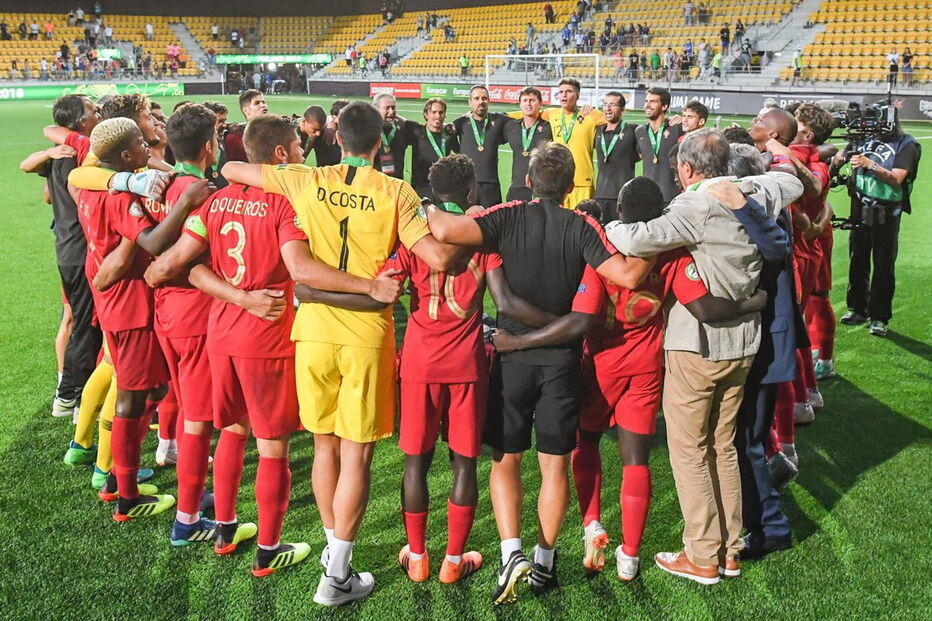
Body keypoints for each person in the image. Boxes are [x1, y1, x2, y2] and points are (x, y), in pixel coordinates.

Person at [221, 102, 458, 606]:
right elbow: (437, 256)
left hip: (311, 331)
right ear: (381, 142)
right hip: (366, 335)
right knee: (358, 453)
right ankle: (337, 575)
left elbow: (230, 168)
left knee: (325, 446)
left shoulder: (304, 178)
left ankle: (335, 559)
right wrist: (452, 218)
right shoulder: (397, 192)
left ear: (338, 136)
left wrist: (281, 171)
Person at [494, 177, 766, 579]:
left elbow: (583, 318)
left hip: (600, 365)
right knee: (636, 459)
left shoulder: (602, 253)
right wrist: (756, 299)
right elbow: (702, 304)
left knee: (584, 443)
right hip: (645, 368)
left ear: (619, 212)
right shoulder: (672, 255)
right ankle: (630, 555)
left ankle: (591, 523)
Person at [425, 142, 655, 605]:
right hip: (564, 362)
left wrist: (427, 203)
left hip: (511, 359)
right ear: (571, 187)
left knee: (506, 459)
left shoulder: (507, 215)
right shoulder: (583, 224)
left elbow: (446, 228)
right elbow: (627, 277)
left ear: (528, 181)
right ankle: (544, 560)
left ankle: (511, 551)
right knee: (554, 466)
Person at [606, 128, 802, 586]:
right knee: (724, 448)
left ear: (688, 169)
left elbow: (635, 240)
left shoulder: (692, 206)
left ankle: (701, 556)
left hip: (698, 344)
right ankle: (730, 551)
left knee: (691, 452)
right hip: (745, 342)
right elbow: (790, 180)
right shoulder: (755, 189)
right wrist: (771, 161)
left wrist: (607, 224)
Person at [322, 155, 493, 585]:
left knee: (415, 464)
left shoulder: (410, 242)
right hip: (467, 364)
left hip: (418, 363)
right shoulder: (485, 237)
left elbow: (382, 291)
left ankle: (417, 557)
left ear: (431, 197)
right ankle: (453, 560)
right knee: (464, 465)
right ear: (471, 193)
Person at [75, 118, 212, 520]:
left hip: (115, 303)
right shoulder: (119, 198)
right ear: (124, 155)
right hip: (130, 306)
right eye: (139, 143)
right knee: (133, 398)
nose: (147, 148)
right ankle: (127, 496)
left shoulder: (90, 184)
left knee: (144, 393)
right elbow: (150, 241)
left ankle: (120, 478)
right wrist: (186, 203)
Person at [24, 95, 101, 419]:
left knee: (77, 322)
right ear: (81, 122)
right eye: (93, 111)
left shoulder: (59, 157)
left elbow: (43, 191)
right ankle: (72, 395)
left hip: (67, 249)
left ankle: (69, 392)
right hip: (81, 251)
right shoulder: (78, 153)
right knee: (86, 327)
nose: (97, 115)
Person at [834, 112, 920, 336]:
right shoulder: (861, 138)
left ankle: (879, 317)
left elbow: (897, 178)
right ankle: (857, 308)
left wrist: (870, 164)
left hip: (887, 212)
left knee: (883, 263)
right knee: (858, 258)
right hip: (859, 207)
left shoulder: (907, 144)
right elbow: (839, 159)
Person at [538, 78, 606, 208]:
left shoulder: (590, 116)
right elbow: (528, 113)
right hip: (558, 180)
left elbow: (612, 120)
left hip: (582, 181)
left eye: (569, 91)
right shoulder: (552, 114)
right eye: (561, 91)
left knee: (581, 221)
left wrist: (593, 110)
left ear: (578, 96)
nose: (564, 95)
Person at [451, 85, 509, 207]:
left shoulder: (499, 120)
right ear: (470, 103)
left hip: (491, 186)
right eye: (476, 98)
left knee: (493, 224)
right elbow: (441, 130)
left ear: (489, 101)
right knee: (467, 223)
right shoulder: (460, 123)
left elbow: (522, 118)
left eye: (484, 98)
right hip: (466, 185)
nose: (481, 102)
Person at [502, 87, 553, 202]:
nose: (528, 104)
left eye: (532, 100)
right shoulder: (511, 126)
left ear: (540, 104)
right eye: (525, 100)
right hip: (516, 186)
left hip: (540, 188)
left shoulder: (549, 127)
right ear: (520, 105)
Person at [404, 97, 460, 200]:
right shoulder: (416, 131)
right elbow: (397, 120)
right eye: (434, 112)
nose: (438, 116)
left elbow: (461, 153)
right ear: (426, 114)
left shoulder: (449, 134)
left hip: (443, 189)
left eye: (441, 112)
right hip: (421, 188)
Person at [635, 87, 684, 205]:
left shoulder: (677, 127)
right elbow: (641, 155)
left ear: (664, 106)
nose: (647, 105)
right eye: (646, 101)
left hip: (672, 197)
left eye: (653, 102)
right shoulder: (640, 131)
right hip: (647, 197)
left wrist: (684, 120)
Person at [593, 91, 637, 222]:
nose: (607, 108)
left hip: (623, 195)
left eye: (612, 104)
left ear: (622, 109)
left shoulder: (633, 130)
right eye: (605, 104)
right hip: (600, 194)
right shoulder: (597, 130)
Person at [224, 89, 267, 164]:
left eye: (263, 102)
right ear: (246, 111)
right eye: (257, 103)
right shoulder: (234, 138)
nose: (263, 105)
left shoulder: (274, 131)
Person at [371, 93, 408, 180]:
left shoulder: (403, 127)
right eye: (387, 108)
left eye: (393, 107)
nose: (391, 111)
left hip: (396, 184)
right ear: (376, 109)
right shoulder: (368, 129)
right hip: (376, 184)